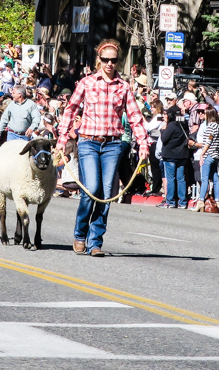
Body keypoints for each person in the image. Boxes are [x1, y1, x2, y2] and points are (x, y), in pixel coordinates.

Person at [58, 38, 150, 257]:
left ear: (118, 61)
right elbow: (70, 109)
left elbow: (135, 118)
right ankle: (80, 234)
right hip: (88, 142)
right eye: (106, 59)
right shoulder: (86, 83)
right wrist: (62, 138)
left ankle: (95, 242)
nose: (110, 64)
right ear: (98, 60)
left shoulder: (124, 87)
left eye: (114, 60)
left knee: (107, 194)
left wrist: (143, 144)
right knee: (91, 190)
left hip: (113, 145)